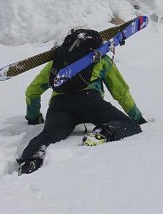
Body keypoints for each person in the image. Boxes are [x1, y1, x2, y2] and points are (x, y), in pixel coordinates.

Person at [16, 29, 146, 175]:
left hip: (60, 105)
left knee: (49, 135)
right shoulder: (101, 59)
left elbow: (32, 91)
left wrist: (34, 118)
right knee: (128, 125)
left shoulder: (57, 61)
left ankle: (30, 159)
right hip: (89, 102)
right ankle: (104, 132)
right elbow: (121, 92)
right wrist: (137, 118)